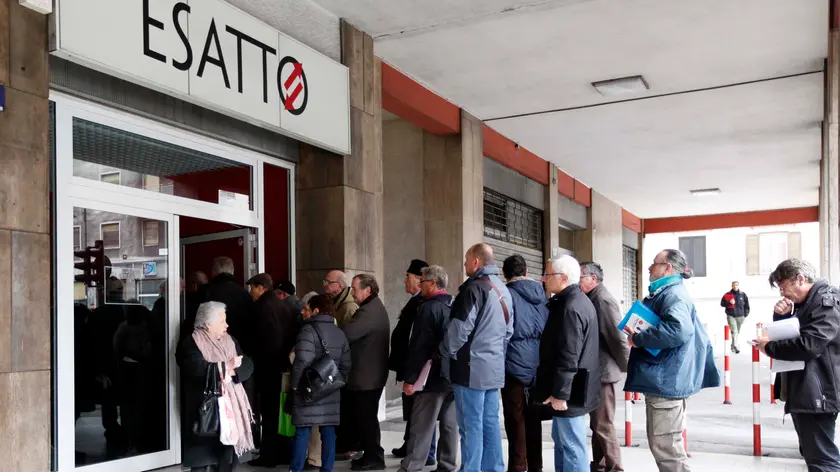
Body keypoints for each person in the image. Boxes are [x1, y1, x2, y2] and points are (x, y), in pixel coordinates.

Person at [624, 249, 720, 472]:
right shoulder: (668, 292)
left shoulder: (673, 294)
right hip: (666, 378)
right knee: (665, 445)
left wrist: (639, 339)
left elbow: (678, 329)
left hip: (666, 381)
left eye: (654, 263)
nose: (649, 267)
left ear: (667, 268)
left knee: (666, 447)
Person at [756, 259, 840, 470]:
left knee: (822, 459)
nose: (782, 294)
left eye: (783, 287)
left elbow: (809, 344)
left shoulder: (825, 303)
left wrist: (770, 348)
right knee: (813, 454)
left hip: (819, 392)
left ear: (800, 279)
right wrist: (782, 316)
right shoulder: (808, 304)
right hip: (808, 390)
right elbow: (797, 332)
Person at [443, 243, 513, 472]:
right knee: (490, 424)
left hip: (470, 370)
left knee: (470, 426)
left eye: (466, 260)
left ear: (476, 261)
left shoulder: (473, 289)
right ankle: (494, 468)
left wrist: (446, 350)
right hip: (494, 368)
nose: (464, 264)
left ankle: (471, 469)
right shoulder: (503, 289)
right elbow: (508, 331)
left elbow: (458, 330)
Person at [533, 255, 600, 472]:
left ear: (562, 278)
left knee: (571, 446)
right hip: (572, 388)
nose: (543, 279)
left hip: (570, 392)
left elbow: (569, 354)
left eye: (548, 274)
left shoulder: (570, 307)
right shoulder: (573, 301)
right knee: (564, 442)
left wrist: (561, 393)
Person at [177, 301, 255, 472]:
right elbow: (194, 367)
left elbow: (247, 363)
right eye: (222, 321)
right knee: (203, 461)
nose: (227, 325)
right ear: (207, 324)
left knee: (227, 459)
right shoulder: (192, 342)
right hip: (206, 410)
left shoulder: (230, 340)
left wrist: (232, 372)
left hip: (230, 411)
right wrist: (225, 366)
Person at [398, 265, 458, 472]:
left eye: (422, 281)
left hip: (430, 375)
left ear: (433, 283)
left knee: (422, 423)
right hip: (453, 374)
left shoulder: (428, 308)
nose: (420, 286)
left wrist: (410, 379)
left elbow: (419, 347)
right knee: (450, 425)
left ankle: (412, 466)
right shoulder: (454, 304)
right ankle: (447, 465)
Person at [289, 295, 352, 472]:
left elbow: (301, 361)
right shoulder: (339, 333)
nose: (303, 312)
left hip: (307, 388)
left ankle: (296, 469)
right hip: (330, 389)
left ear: (316, 311)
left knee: (302, 431)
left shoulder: (307, 331)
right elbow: (346, 364)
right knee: (329, 431)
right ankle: (327, 469)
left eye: (306, 309)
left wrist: (295, 386)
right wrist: (334, 381)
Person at [579, 261, 629, 472]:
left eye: (580, 277)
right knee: (597, 424)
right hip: (597, 371)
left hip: (604, 372)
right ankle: (600, 466)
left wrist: (628, 366)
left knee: (603, 424)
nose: (576, 281)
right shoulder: (593, 297)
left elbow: (617, 338)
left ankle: (615, 467)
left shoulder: (602, 300)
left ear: (593, 279)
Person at [339, 274, 391, 471]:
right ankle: (370, 454)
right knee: (365, 417)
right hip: (369, 375)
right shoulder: (373, 307)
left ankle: (374, 457)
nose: (352, 293)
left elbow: (347, 334)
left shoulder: (368, 312)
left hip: (367, 377)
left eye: (355, 289)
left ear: (367, 290)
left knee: (366, 418)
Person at [500, 255, 547, 472]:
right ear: (527, 272)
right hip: (537, 364)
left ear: (505, 274)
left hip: (513, 364)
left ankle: (518, 466)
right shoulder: (543, 296)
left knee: (514, 417)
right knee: (533, 416)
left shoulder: (506, 295)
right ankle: (536, 465)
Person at [246, 273, 299, 467]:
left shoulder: (262, 308)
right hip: (281, 366)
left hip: (269, 367)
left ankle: (269, 455)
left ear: (261, 288)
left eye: (252, 287)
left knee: (269, 413)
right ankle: (282, 452)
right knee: (279, 412)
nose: (250, 292)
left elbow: (269, 340)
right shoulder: (280, 305)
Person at [389, 259, 437, 465]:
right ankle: (411, 443)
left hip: (418, 367)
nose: (404, 281)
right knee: (413, 409)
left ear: (420, 280)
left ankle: (427, 451)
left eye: (408, 277)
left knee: (423, 411)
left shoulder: (423, 303)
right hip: (409, 365)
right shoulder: (417, 301)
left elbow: (417, 340)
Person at [205, 257, 256, 355]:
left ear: (214, 272)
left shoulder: (206, 291)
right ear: (232, 271)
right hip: (239, 346)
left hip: (212, 347)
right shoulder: (243, 293)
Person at [720, 281, 750, 354]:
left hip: (740, 316)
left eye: (736, 285)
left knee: (737, 332)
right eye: (734, 285)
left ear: (738, 286)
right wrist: (729, 302)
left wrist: (745, 315)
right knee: (734, 331)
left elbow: (747, 306)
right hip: (731, 315)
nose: (735, 286)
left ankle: (733, 345)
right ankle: (736, 347)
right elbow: (722, 304)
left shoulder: (743, 295)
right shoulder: (727, 294)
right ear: (731, 286)